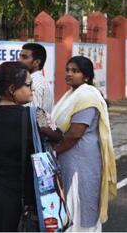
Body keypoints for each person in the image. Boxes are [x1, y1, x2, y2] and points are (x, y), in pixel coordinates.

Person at [0, 61, 61, 231]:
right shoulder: (36, 114)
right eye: (28, 85)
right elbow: (58, 136)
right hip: (21, 198)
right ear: (12, 89)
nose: (32, 90)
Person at [52, 56, 117, 231]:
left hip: (81, 161)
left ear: (86, 76)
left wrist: (52, 152)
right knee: (70, 202)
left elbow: (74, 134)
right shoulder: (72, 94)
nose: (69, 74)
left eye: (75, 71)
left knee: (79, 202)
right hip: (71, 158)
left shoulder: (87, 97)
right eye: (67, 70)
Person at [18, 42, 54, 114]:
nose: (19, 60)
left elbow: (34, 115)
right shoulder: (38, 80)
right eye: (20, 56)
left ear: (37, 62)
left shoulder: (34, 83)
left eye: (24, 57)